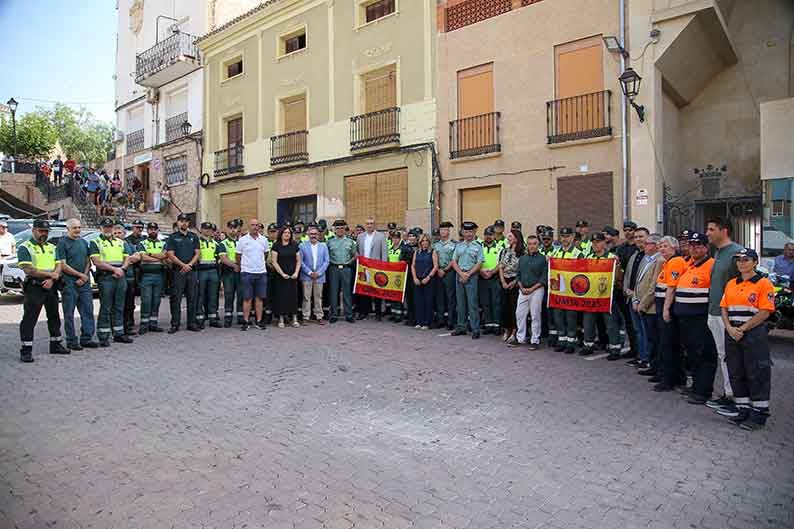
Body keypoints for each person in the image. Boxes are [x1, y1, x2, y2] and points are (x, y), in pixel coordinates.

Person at [717, 247, 774, 430]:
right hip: (732, 331)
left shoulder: (764, 283)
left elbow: (765, 312)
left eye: (746, 259)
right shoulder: (731, 283)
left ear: (755, 262)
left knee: (756, 371)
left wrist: (741, 329)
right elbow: (724, 307)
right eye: (739, 260)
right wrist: (729, 328)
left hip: (753, 333)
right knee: (736, 371)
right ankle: (743, 409)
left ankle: (758, 414)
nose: (741, 263)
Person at [673, 232, 717, 405]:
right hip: (686, 320)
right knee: (692, 355)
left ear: (706, 248)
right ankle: (696, 386)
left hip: (701, 319)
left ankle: (703, 391)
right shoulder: (689, 264)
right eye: (691, 245)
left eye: (698, 245)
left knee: (704, 355)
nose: (694, 248)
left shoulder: (711, 266)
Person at [17, 219, 70, 362]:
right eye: (41, 231)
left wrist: (52, 279)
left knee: (54, 316)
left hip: (51, 285)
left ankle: (56, 344)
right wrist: (50, 275)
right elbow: (28, 269)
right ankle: (26, 350)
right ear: (33, 230)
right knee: (30, 319)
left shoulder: (52, 247)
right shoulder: (25, 247)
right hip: (35, 287)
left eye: (46, 231)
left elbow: (58, 265)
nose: (44, 234)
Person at [705, 217, 743, 412]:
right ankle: (730, 394)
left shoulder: (736, 253)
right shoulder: (719, 252)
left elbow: (741, 285)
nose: (707, 233)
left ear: (724, 231)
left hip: (726, 315)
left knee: (730, 356)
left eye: (711, 229)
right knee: (723, 355)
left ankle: (736, 398)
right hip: (714, 312)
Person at [90, 219, 135, 346]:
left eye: (110, 227)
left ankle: (119, 333)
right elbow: (96, 261)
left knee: (119, 306)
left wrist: (122, 269)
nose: (108, 229)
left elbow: (127, 258)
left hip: (120, 275)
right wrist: (114, 269)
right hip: (106, 277)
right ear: (101, 228)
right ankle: (103, 336)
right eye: (106, 227)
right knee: (106, 307)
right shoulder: (95, 242)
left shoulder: (120, 242)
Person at [56, 218, 98, 350]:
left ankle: (86, 338)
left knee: (88, 310)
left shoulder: (83, 242)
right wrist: (80, 275)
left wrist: (84, 276)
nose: (77, 230)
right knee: (69, 313)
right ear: (68, 229)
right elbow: (63, 265)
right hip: (69, 283)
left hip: (84, 283)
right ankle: (71, 340)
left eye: (79, 227)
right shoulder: (62, 244)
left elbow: (87, 261)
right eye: (74, 228)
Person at [654, 236, 689, 392]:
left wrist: (666, 309)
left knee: (669, 344)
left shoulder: (675, 262)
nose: (662, 248)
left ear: (674, 247)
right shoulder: (668, 262)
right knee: (667, 343)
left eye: (665, 246)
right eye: (660, 246)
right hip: (663, 304)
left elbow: (671, 287)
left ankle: (669, 379)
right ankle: (670, 375)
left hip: (668, 306)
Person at [579, 233, 622, 358]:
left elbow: (619, 276)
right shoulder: (588, 257)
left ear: (604, 243)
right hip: (591, 295)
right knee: (588, 321)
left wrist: (617, 265)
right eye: (593, 242)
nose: (595, 244)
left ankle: (615, 347)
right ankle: (588, 345)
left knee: (610, 322)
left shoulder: (611, 257)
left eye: (598, 242)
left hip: (606, 295)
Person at [549, 227, 584, 354]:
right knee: (558, 316)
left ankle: (571, 342)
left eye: (568, 236)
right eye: (563, 237)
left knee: (570, 317)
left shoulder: (578, 253)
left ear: (572, 237)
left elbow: (582, 272)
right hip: (558, 290)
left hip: (571, 291)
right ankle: (561, 340)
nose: (565, 239)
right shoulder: (556, 253)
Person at [632, 233, 664, 372]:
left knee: (653, 338)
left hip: (650, 307)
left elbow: (653, 286)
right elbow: (638, 281)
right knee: (646, 335)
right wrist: (635, 298)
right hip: (639, 302)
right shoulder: (646, 258)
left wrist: (643, 304)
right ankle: (650, 362)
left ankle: (655, 366)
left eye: (647, 243)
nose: (644, 246)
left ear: (656, 246)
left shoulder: (659, 261)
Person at [165, 213, 201, 333]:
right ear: (178, 222)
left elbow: (197, 253)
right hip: (178, 271)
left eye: (186, 221)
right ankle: (175, 324)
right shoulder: (173, 237)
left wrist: (189, 265)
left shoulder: (194, 236)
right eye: (181, 221)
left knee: (192, 297)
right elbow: (170, 254)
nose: (184, 223)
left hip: (191, 271)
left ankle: (192, 323)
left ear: (188, 223)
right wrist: (183, 265)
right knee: (176, 298)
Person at [451, 221, 483, 339]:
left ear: (474, 232)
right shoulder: (459, 246)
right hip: (459, 275)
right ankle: (461, 327)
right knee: (460, 303)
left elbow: (479, 263)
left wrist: (468, 274)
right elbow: (454, 261)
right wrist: (461, 274)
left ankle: (475, 329)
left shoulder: (478, 246)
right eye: (466, 231)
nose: (468, 234)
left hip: (472, 276)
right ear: (463, 232)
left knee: (472, 303)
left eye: (470, 231)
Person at [514, 234, 547, 350]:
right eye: (530, 244)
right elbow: (518, 275)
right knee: (519, 314)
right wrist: (521, 287)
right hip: (523, 290)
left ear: (538, 245)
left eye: (534, 244)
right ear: (526, 245)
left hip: (537, 290)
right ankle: (520, 338)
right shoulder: (522, 258)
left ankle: (535, 340)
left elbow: (544, 277)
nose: (532, 246)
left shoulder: (542, 259)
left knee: (535, 315)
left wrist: (532, 289)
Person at [236, 218, 269, 331]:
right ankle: (246, 321)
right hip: (247, 272)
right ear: (249, 227)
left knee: (259, 298)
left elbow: (265, 254)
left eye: (257, 225)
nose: (255, 227)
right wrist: (245, 266)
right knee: (247, 298)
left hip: (261, 272)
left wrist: (258, 264)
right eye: (253, 225)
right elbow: (238, 256)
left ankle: (259, 321)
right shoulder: (242, 240)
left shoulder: (263, 240)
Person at [136, 222, 167, 334]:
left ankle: (153, 323)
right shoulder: (142, 243)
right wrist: (158, 259)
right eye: (150, 229)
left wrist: (149, 255)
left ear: (158, 230)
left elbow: (165, 255)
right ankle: (144, 324)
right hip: (146, 275)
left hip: (159, 275)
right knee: (146, 300)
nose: (153, 231)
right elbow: (142, 257)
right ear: (147, 231)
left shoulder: (163, 243)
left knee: (156, 300)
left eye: (155, 229)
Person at [356, 216, 388, 321]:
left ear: (375, 225)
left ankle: (378, 313)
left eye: (371, 223)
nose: (369, 225)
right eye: (368, 223)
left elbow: (384, 253)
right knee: (364, 290)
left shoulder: (381, 236)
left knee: (377, 291)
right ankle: (363, 312)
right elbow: (357, 251)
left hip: (377, 268)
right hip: (364, 268)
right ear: (366, 225)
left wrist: (383, 266)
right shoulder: (360, 237)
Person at [271, 225, 302, 328]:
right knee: (281, 297)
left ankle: (294, 319)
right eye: (285, 233)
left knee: (293, 297)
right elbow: (274, 262)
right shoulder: (276, 245)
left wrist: (296, 273)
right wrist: (282, 273)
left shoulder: (294, 245)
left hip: (293, 276)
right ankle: (281, 319)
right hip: (280, 276)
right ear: (281, 234)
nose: (287, 234)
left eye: (289, 233)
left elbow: (298, 261)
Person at [327, 219, 357, 324]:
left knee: (347, 292)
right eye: (337, 228)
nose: (340, 230)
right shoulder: (330, 241)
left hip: (346, 269)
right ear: (334, 230)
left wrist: (350, 261)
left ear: (345, 229)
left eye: (342, 228)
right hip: (333, 268)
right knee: (333, 292)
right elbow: (326, 256)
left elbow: (355, 255)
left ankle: (348, 314)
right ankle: (334, 314)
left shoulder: (350, 242)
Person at [298, 224, 330, 324]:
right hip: (307, 275)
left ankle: (319, 316)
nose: (313, 235)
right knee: (306, 297)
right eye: (311, 234)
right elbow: (301, 261)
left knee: (318, 297)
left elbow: (326, 261)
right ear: (307, 234)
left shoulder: (323, 246)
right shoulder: (302, 246)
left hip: (319, 276)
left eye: (315, 234)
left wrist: (319, 272)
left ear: (318, 234)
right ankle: (306, 316)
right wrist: (309, 272)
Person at [498, 229, 524, 345]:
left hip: (515, 282)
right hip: (504, 281)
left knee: (514, 308)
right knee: (505, 306)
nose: (509, 237)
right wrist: (503, 281)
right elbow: (500, 267)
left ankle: (514, 331)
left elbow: (522, 270)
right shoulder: (504, 251)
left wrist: (514, 282)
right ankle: (507, 329)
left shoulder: (522, 253)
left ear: (517, 238)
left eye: (511, 236)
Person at [196, 222, 223, 329]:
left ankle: (213, 318)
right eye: (206, 229)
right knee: (200, 295)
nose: (208, 231)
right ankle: (199, 318)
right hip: (201, 271)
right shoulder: (197, 242)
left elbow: (218, 259)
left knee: (213, 295)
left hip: (213, 271)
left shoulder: (216, 244)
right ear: (201, 229)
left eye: (210, 230)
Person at [433, 221, 457, 330]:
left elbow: (454, 259)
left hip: (449, 272)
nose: (443, 232)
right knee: (439, 297)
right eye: (441, 230)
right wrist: (438, 269)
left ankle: (451, 321)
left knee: (450, 297)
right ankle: (440, 320)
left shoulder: (454, 244)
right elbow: (433, 258)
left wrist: (445, 269)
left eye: (445, 230)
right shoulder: (435, 244)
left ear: (448, 231)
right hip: (438, 272)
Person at [479, 226, 503, 336]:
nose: (488, 237)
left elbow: (501, 263)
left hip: (494, 277)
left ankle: (497, 325)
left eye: (490, 235)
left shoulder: (499, 248)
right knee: (485, 302)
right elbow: (476, 261)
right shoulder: (479, 247)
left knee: (496, 302)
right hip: (482, 277)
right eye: (486, 235)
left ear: (494, 235)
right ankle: (488, 325)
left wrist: (492, 272)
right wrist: (481, 271)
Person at [219, 219, 243, 327]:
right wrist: (235, 266)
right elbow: (223, 259)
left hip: (240, 271)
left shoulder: (241, 242)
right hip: (228, 272)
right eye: (231, 228)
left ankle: (240, 316)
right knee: (229, 295)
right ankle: (228, 318)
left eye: (235, 228)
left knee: (241, 295)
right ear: (228, 229)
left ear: (238, 229)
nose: (233, 230)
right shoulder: (223, 243)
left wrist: (240, 266)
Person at [123, 220, 146, 335]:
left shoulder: (144, 240)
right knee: (129, 300)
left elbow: (143, 256)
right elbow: (130, 257)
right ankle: (129, 322)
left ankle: (144, 321)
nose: (139, 230)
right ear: (133, 228)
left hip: (142, 272)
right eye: (137, 227)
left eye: (141, 228)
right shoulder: (127, 240)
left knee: (143, 299)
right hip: (131, 272)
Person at [411, 233, 438, 330]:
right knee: (418, 301)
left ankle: (427, 322)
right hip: (417, 279)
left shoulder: (433, 252)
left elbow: (435, 266)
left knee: (428, 301)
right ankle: (419, 321)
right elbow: (413, 266)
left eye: (426, 241)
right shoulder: (416, 252)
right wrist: (414, 278)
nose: (424, 243)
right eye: (423, 241)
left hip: (428, 280)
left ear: (429, 242)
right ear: (420, 242)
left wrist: (428, 277)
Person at [387, 230, 405, 322]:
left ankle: (399, 314)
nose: (395, 240)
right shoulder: (389, 249)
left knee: (398, 295)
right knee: (392, 294)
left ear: (400, 239)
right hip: (390, 274)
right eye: (394, 238)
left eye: (397, 238)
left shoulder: (402, 249)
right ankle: (393, 313)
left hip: (399, 275)